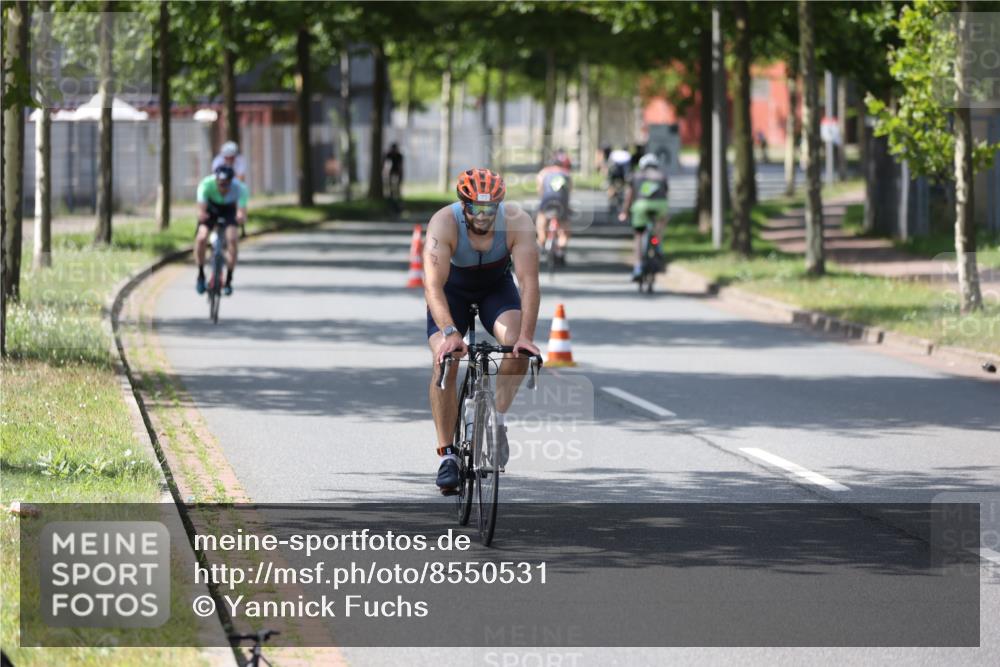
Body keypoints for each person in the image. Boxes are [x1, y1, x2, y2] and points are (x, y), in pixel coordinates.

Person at [424, 168, 541, 493]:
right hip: (452, 293)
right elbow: (433, 285)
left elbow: (529, 283)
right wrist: (449, 333)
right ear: (464, 205)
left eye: (491, 209)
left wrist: (526, 338)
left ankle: (497, 423)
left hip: (495, 290)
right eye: (476, 208)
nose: (484, 215)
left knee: (517, 349)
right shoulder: (443, 223)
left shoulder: (518, 221)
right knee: (445, 360)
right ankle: (447, 454)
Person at [195, 165, 248, 296]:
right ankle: (201, 275)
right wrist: (202, 214)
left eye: (226, 184)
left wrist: (241, 216)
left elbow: (241, 211)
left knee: (233, 239)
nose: (223, 187)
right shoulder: (206, 184)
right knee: (201, 238)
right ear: (216, 180)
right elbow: (201, 209)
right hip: (212, 208)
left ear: (231, 181)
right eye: (220, 184)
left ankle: (229, 280)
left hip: (229, 210)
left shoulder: (240, 188)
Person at [618, 154, 669, 281]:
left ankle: (638, 266)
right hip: (660, 205)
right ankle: (658, 244)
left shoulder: (636, 175)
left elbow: (629, 196)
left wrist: (624, 211)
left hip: (641, 206)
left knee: (639, 235)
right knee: (660, 225)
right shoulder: (662, 176)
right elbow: (666, 194)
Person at [535, 154, 573, 264]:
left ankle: (541, 241)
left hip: (547, 201)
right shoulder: (567, 174)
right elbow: (569, 191)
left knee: (541, 221)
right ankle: (560, 250)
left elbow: (540, 190)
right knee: (564, 230)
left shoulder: (543, 172)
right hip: (562, 202)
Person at [383, 142, 404, 208]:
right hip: (390, 173)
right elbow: (386, 165)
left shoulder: (399, 155)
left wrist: (400, 174)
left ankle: (397, 201)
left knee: (397, 188)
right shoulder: (388, 155)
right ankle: (391, 200)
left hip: (396, 173)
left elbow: (400, 166)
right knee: (390, 187)